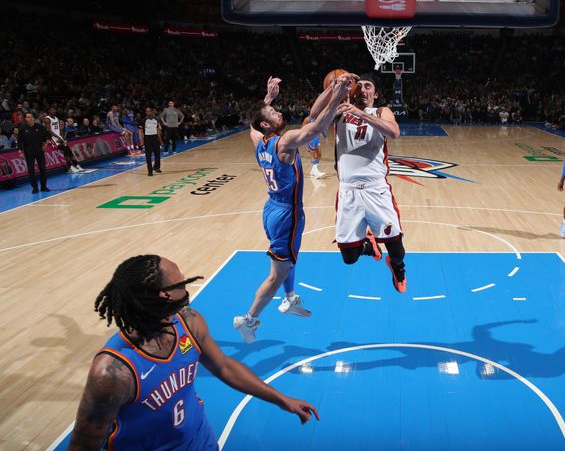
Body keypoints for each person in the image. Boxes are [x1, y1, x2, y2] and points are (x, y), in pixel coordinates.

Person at [68, 255, 318, 450]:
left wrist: (280, 399)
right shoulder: (113, 372)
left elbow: (223, 365)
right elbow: (82, 445)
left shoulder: (189, 321)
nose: (186, 278)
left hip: (202, 442)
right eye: (180, 278)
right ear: (164, 294)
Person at [234, 74, 353, 343]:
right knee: (276, 275)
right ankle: (248, 320)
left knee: (288, 260)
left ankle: (290, 300)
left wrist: (267, 98)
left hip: (273, 209)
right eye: (274, 111)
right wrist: (336, 96)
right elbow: (316, 126)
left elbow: (251, 125)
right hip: (287, 213)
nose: (279, 112)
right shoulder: (284, 142)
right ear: (267, 124)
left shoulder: (259, 139)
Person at [312, 74, 407, 293]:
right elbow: (314, 114)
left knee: (397, 249)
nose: (363, 89)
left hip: (376, 190)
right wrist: (333, 89)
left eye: (368, 86)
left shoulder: (382, 111)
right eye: (360, 86)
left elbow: (394, 132)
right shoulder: (341, 110)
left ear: (375, 93)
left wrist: (360, 113)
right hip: (349, 192)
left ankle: (397, 266)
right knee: (349, 258)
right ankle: (368, 245)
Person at [18, 112, 51, 193]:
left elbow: (48, 136)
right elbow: (19, 141)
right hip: (28, 152)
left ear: (34, 118)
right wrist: (20, 152)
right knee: (31, 170)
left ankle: (44, 187)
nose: (30, 118)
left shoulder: (40, 127)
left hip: (39, 151)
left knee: (43, 169)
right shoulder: (22, 128)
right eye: (28, 117)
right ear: (25, 119)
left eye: (31, 117)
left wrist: (46, 144)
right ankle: (35, 187)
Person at [143, 107, 163, 176]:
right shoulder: (144, 120)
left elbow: (158, 131)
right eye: (146, 112)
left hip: (155, 138)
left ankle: (156, 167)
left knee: (157, 154)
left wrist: (160, 140)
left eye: (149, 111)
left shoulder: (156, 120)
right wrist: (141, 142)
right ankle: (150, 171)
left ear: (152, 112)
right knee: (148, 156)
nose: (148, 113)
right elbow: (140, 131)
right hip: (147, 138)